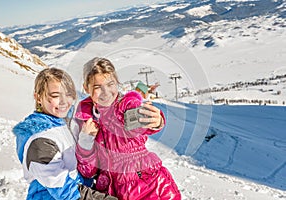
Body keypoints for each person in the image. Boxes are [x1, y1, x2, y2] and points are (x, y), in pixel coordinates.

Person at [75, 57, 181, 199]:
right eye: (97, 87)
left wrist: (157, 120)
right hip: (111, 192)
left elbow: (140, 114)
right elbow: (88, 172)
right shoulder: (85, 120)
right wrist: (85, 141)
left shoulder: (124, 106)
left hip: (148, 188)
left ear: (117, 83)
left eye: (110, 84)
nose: (106, 92)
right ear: (86, 88)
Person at [13, 67, 117, 200]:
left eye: (68, 94)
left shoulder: (64, 122)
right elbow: (64, 190)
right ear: (38, 98)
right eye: (56, 96)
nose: (64, 101)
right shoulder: (39, 140)